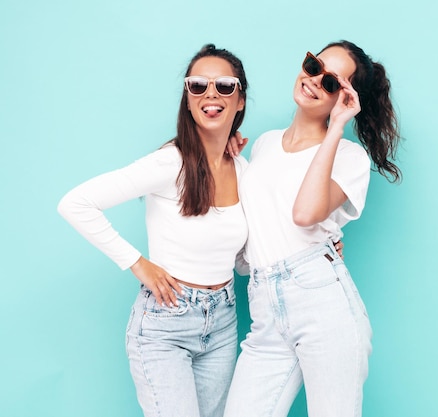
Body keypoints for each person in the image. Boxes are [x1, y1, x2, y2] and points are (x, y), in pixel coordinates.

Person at [57, 43, 250, 417]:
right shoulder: (170, 163)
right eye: (198, 85)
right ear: (188, 98)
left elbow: (243, 263)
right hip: (166, 324)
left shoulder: (243, 170)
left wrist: (318, 245)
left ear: (240, 100)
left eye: (225, 85)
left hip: (223, 321)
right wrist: (137, 263)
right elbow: (75, 203)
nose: (211, 93)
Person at [223, 40, 402, 417]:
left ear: (345, 99)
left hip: (322, 306)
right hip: (264, 306)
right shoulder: (264, 145)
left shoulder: (350, 158)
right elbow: (253, 228)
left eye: (332, 82)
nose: (314, 80)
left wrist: (337, 126)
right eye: (313, 65)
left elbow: (304, 214)